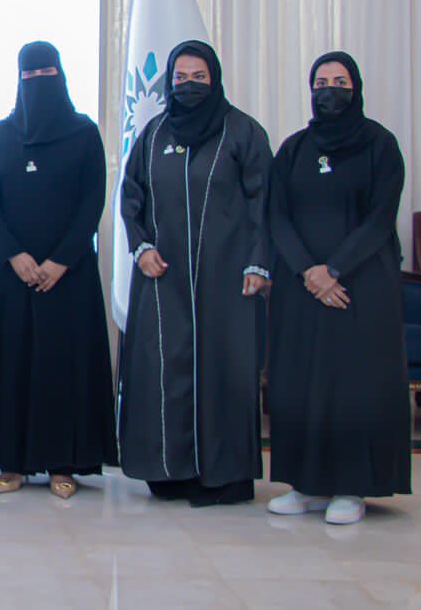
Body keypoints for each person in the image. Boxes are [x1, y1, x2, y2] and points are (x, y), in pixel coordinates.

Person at [118, 40, 272, 507]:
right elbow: (132, 197)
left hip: (228, 280)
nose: (189, 85)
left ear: (214, 79)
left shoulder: (243, 132)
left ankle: (224, 476)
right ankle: (168, 472)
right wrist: (141, 247)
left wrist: (259, 262)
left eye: (198, 77)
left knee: (224, 371)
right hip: (163, 278)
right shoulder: (154, 133)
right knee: (166, 370)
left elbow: (264, 202)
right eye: (180, 78)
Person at [266, 51, 411, 525]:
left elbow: (380, 218)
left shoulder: (380, 145)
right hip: (302, 287)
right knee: (301, 383)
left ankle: (352, 487)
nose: (330, 90)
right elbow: (277, 216)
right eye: (321, 82)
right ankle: (305, 485)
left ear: (356, 88)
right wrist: (309, 270)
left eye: (340, 81)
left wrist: (335, 269)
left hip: (360, 285)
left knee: (353, 385)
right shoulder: (294, 149)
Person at [0, 41, 116, 498]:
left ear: (61, 76)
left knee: (62, 365)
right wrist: (12, 252)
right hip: (12, 272)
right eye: (29, 75)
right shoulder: (4, 133)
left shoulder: (83, 132)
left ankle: (62, 464)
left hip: (68, 274)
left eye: (45, 73)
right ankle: (11, 463)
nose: (37, 83)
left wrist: (61, 260)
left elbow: (92, 199)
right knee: (11, 363)